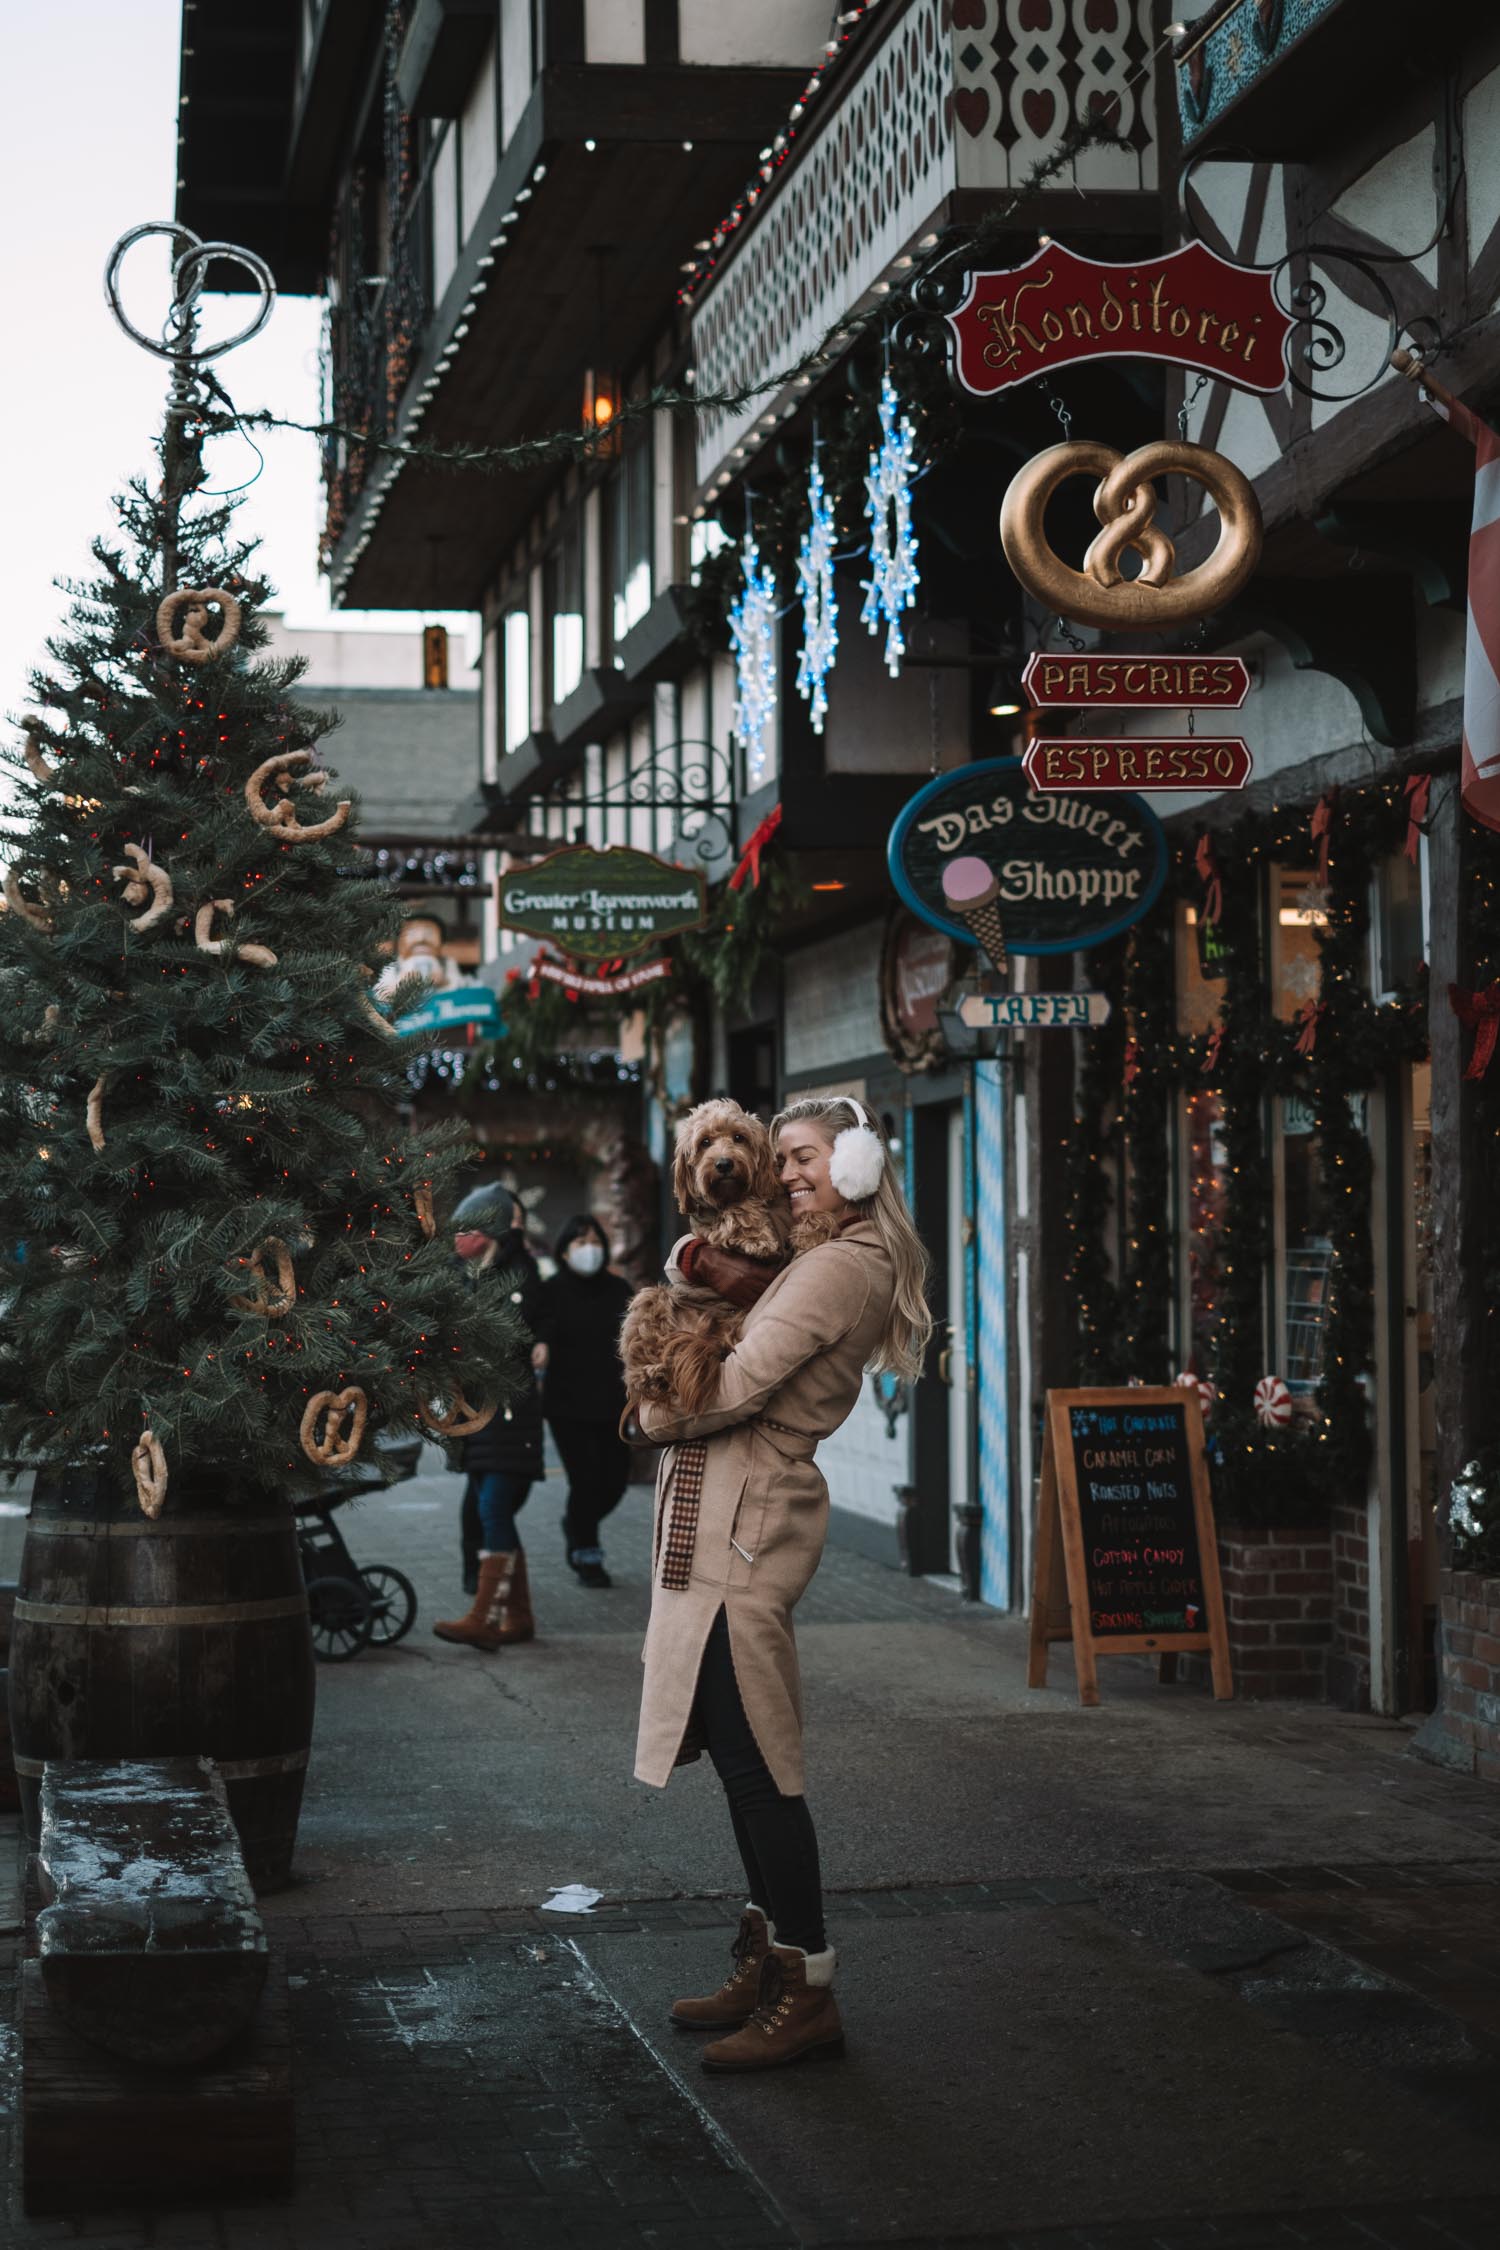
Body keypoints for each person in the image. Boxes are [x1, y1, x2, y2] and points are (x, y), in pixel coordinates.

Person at [633, 1097, 930, 2073]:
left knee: (762, 1762)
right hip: (730, 1518)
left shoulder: (841, 1267)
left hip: (744, 1532)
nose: (788, 1175)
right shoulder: (809, 1262)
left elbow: (730, 1390)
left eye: (806, 1159)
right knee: (736, 1753)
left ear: (852, 1167)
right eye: (784, 1161)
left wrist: (645, 1408)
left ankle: (806, 1988)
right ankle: (768, 1958)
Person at [432, 1184, 546, 1651]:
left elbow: (519, 1336)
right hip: (478, 1417)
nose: (457, 1238)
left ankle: (485, 1616)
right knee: (491, 1509)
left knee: (493, 1509)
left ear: (489, 1233)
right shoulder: (462, 1276)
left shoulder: (518, 1275)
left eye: (467, 1230)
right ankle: (518, 1617)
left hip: (509, 1414)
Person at [534, 1215, 635, 1587]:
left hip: (613, 1404)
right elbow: (538, 1330)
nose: (588, 1249)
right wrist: (540, 1345)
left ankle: (575, 1523)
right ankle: (587, 1555)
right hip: (567, 1406)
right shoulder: (550, 1291)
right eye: (579, 1242)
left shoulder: (618, 1288)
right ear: (563, 1251)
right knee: (585, 1482)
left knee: (615, 1482)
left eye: (594, 1241)